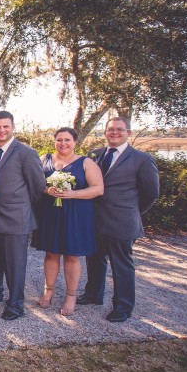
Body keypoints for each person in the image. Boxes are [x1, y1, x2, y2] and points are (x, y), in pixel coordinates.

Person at [78, 117, 160, 322]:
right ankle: (93, 294)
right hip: (95, 220)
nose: (114, 133)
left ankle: (123, 306)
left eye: (119, 130)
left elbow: (151, 193)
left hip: (122, 221)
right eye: (110, 129)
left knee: (121, 265)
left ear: (128, 133)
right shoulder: (94, 155)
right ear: (105, 132)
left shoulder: (141, 159)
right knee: (94, 259)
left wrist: (133, 212)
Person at [0, 111, 46, 320]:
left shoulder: (26, 153)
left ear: (13, 127)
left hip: (16, 218)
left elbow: (38, 186)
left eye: (5, 126)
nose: (1, 130)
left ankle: (16, 304)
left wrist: (22, 206)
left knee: (15, 264)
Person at [32, 127, 103, 316]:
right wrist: (47, 190)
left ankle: (71, 296)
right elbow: (36, 183)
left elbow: (98, 189)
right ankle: (49, 291)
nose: (63, 143)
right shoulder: (44, 159)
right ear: (54, 141)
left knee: (72, 256)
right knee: (51, 253)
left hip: (76, 215)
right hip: (50, 214)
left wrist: (73, 194)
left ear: (75, 142)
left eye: (67, 140)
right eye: (59, 140)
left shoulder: (86, 163)